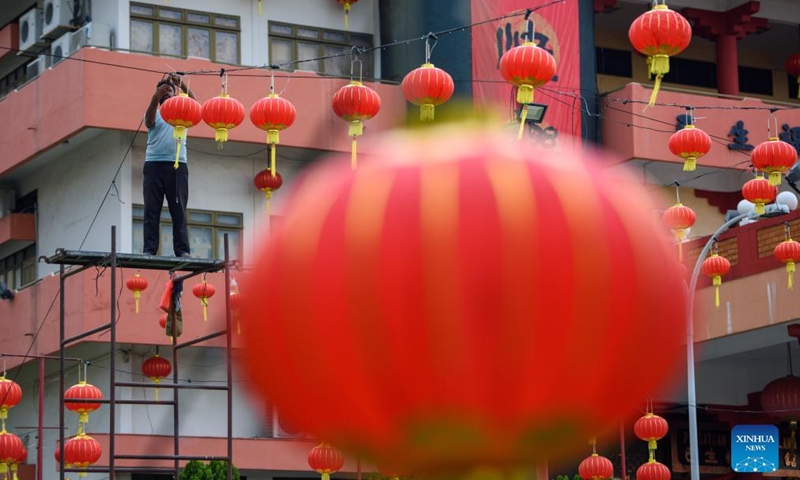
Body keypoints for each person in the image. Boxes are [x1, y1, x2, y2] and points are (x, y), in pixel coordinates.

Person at [143, 73, 197, 257]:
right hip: (154, 165)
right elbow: (148, 121)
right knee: (152, 210)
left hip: (178, 165)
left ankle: (182, 250)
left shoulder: (184, 113)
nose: (168, 95)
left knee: (179, 210)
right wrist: (155, 96)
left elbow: (196, 105)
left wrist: (182, 85)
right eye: (164, 94)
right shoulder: (155, 113)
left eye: (170, 92)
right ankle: (149, 250)